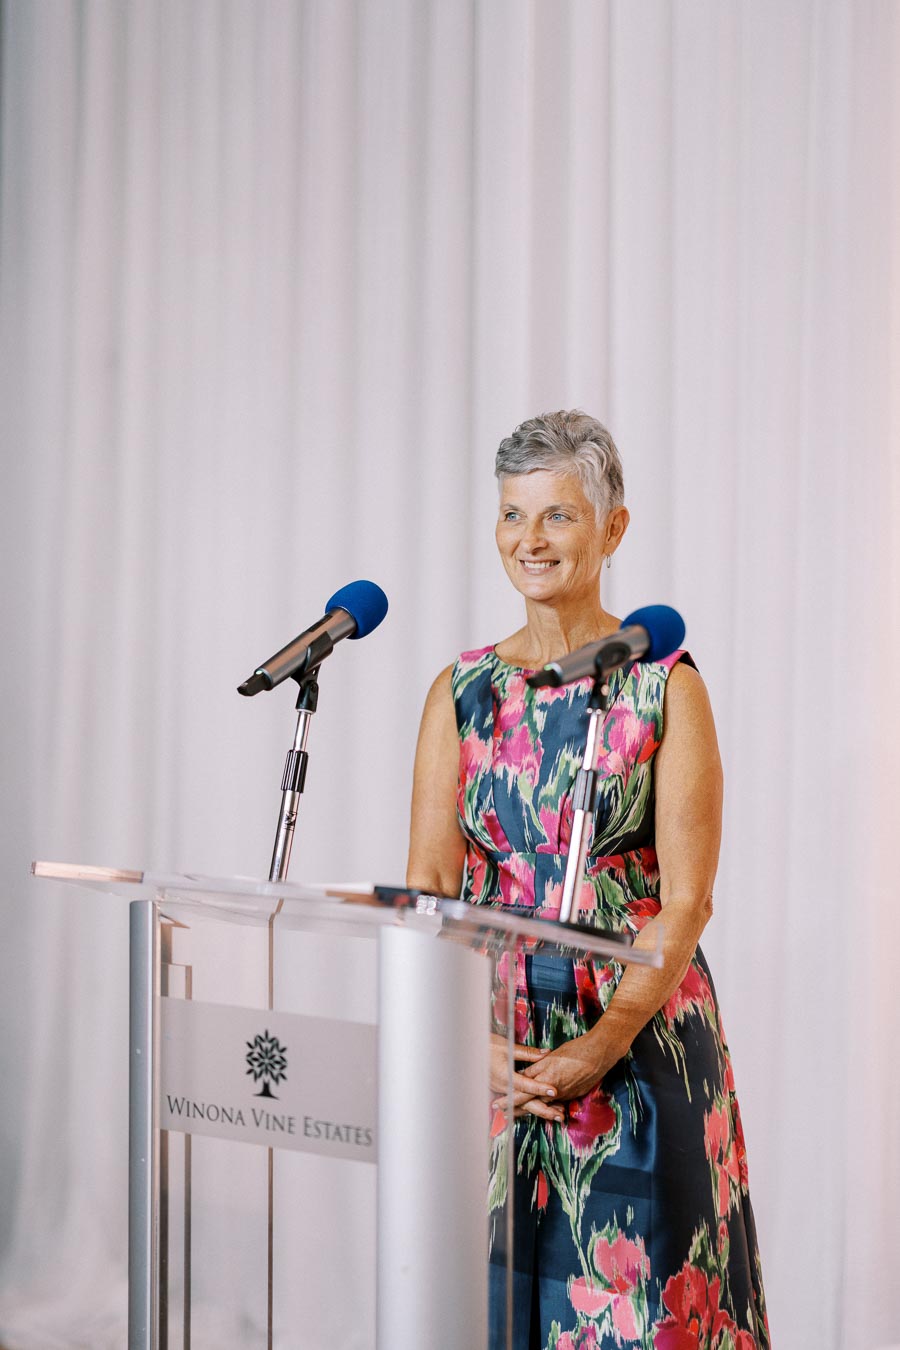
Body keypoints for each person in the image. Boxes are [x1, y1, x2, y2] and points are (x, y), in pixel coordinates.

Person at [407, 411, 769, 1350]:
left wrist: (602, 1045)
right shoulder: (461, 692)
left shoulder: (666, 685)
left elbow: (686, 901)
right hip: (498, 1056)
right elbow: (429, 886)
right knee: (495, 1307)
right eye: (512, 515)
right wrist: (464, 1042)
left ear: (612, 530)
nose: (530, 540)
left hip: (639, 1043)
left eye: (558, 516)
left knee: (647, 1313)